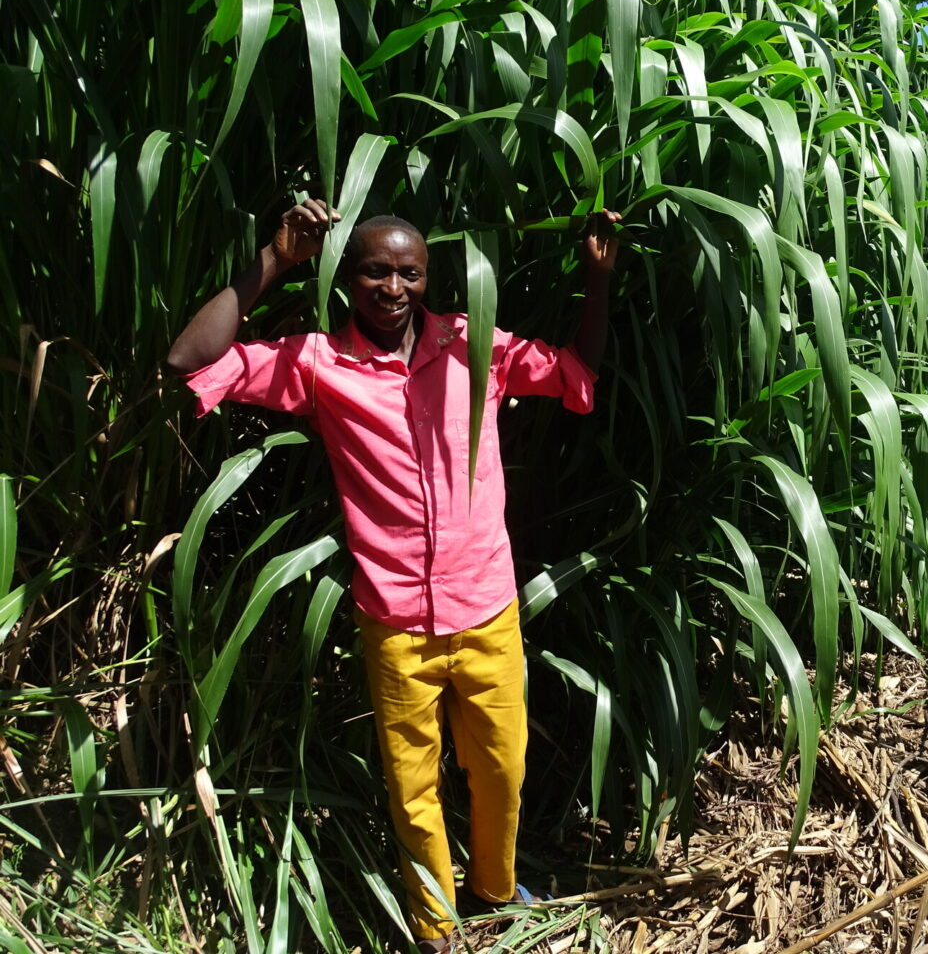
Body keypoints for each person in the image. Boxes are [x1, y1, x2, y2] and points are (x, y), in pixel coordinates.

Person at [167, 198, 621, 953]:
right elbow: (192, 360)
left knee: (502, 768)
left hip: (488, 609)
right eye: (375, 271)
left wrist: (597, 283)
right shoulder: (320, 364)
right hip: (396, 623)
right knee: (414, 792)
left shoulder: (473, 346)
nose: (393, 287)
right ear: (347, 279)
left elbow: (574, 376)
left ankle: (495, 890)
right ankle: (436, 928)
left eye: (409, 272)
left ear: (429, 278)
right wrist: (274, 261)